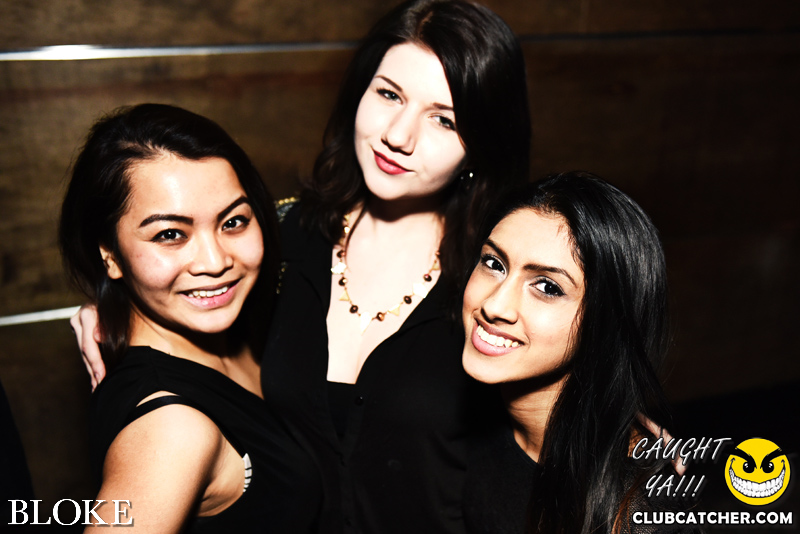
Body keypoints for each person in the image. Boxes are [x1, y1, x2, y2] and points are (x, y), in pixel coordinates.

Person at [72, 1, 531, 532]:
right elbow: (182, 271)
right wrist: (112, 306)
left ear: (481, 144)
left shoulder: (500, 279)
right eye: (388, 94)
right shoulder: (283, 238)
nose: (398, 136)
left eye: (443, 119)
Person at [60, 103, 321, 532]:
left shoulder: (249, 321)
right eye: (170, 234)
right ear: (110, 254)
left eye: (233, 221)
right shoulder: (171, 429)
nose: (215, 262)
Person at [461, 172, 694, 534]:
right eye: (494, 263)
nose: (494, 305)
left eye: (547, 287)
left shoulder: (640, 511)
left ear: (604, 323)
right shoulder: (462, 408)